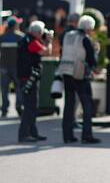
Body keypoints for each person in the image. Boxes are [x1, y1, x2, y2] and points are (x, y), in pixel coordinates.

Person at [59, 15, 101, 144]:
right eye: (91, 28)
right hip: (80, 73)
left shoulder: (68, 35)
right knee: (87, 104)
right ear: (88, 28)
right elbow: (91, 60)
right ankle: (87, 135)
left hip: (66, 71)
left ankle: (67, 135)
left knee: (69, 104)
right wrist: (96, 50)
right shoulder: (85, 39)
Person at [17, 21, 52, 142]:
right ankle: (24, 134)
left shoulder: (26, 39)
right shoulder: (31, 41)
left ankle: (33, 132)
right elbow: (46, 52)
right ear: (38, 32)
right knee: (29, 107)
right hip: (29, 79)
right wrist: (48, 41)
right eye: (41, 33)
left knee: (32, 107)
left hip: (26, 77)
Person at [0, 16, 24, 117]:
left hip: (4, 67)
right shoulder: (20, 37)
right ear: (15, 26)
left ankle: (4, 108)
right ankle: (18, 106)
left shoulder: (2, 37)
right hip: (16, 67)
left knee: (4, 89)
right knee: (18, 87)